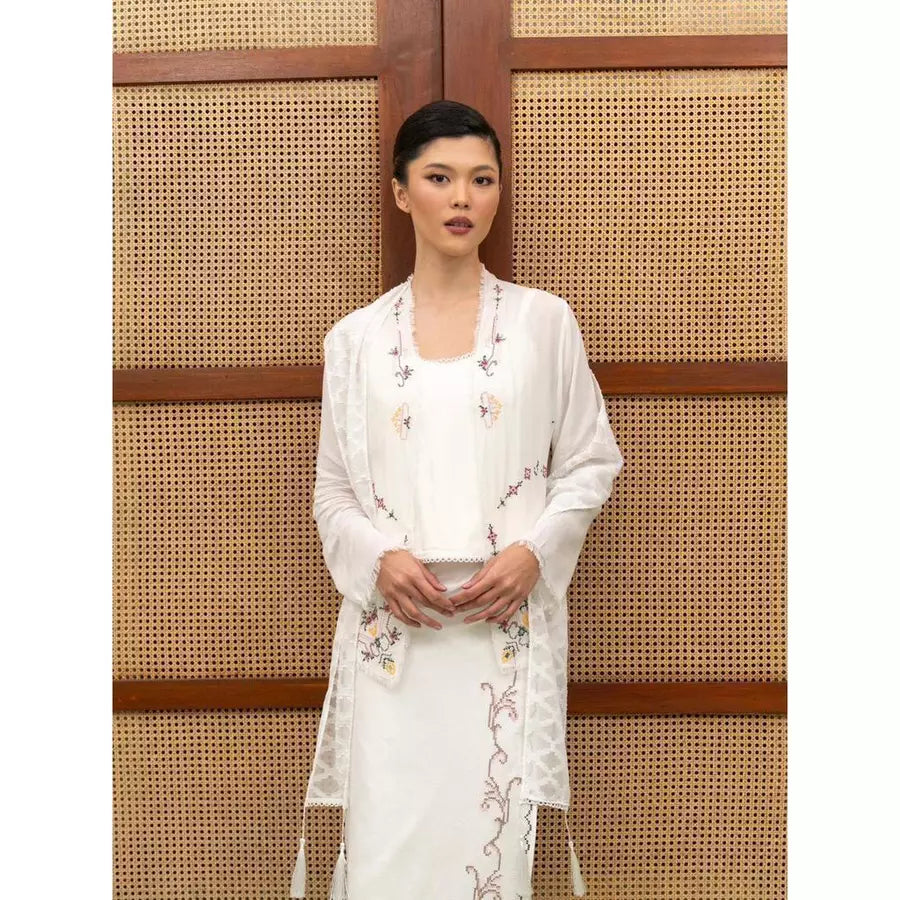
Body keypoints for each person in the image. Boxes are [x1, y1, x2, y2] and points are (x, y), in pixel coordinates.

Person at [291, 100, 624, 899]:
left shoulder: (544, 323)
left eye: (482, 179)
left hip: (500, 629)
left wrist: (531, 554)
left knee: (489, 856)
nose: (464, 198)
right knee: (384, 851)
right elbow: (333, 489)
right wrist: (378, 561)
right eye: (440, 178)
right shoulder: (356, 340)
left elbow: (590, 460)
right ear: (402, 191)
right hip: (394, 637)